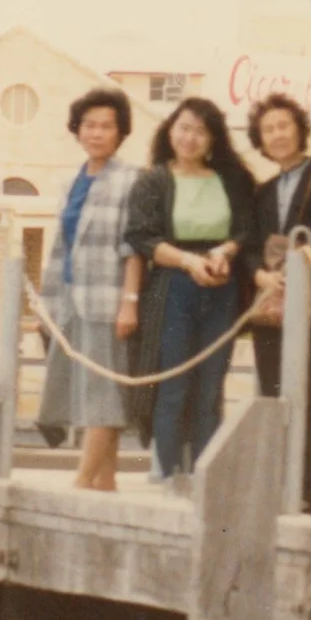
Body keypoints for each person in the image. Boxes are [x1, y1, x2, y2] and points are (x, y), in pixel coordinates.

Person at [124, 97, 260, 484]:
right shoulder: (153, 180)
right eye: (184, 127)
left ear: (213, 138)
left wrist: (223, 252)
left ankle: (205, 477)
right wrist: (188, 262)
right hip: (173, 287)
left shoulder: (231, 179)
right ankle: (166, 473)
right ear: (170, 130)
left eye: (201, 130)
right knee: (173, 384)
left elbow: (246, 229)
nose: (190, 137)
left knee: (210, 386)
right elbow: (141, 236)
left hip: (221, 284)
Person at [33, 88, 144, 490]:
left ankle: (81, 481)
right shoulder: (69, 182)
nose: (96, 133)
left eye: (106, 126)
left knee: (102, 394)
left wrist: (129, 303)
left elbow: (134, 248)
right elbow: (60, 248)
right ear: (77, 130)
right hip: (69, 302)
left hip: (108, 301)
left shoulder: (131, 179)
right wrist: (46, 308)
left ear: (120, 133)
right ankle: (106, 482)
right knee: (90, 392)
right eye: (89, 125)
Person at [247, 92, 311, 512]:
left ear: (300, 128)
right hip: (270, 298)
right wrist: (263, 275)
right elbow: (251, 241)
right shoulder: (262, 190)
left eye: (283, 125)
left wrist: (291, 271)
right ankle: (276, 487)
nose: (277, 134)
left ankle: (306, 490)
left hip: (306, 295)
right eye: (268, 129)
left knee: (305, 383)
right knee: (271, 388)